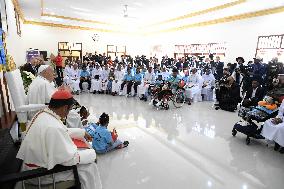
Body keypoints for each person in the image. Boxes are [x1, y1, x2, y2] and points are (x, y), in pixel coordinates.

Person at [17, 89, 102, 189]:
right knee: (90, 167)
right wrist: (92, 154)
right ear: (64, 108)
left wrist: (82, 132)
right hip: (41, 176)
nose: (68, 114)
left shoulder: (42, 114)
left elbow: (63, 130)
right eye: (69, 110)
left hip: (31, 168)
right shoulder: (53, 127)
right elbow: (69, 160)